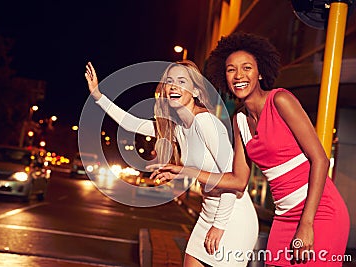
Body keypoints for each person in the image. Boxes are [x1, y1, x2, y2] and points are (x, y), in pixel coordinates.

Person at [150, 32, 350, 266]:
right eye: (231, 69)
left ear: (260, 72)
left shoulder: (281, 101)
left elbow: (320, 160)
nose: (239, 75)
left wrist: (306, 223)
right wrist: (186, 171)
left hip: (319, 212)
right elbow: (237, 181)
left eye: (247, 68)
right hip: (284, 216)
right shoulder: (240, 121)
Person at [85, 60, 258, 266]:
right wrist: (98, 96)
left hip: (232, 218)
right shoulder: (177, 128)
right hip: (208, 213)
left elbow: (232, 179)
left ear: (195, 91)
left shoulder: (205, 123)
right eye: (169, 81)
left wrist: (219, 224)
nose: (174, 86)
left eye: (182, 81)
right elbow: (132, 124)